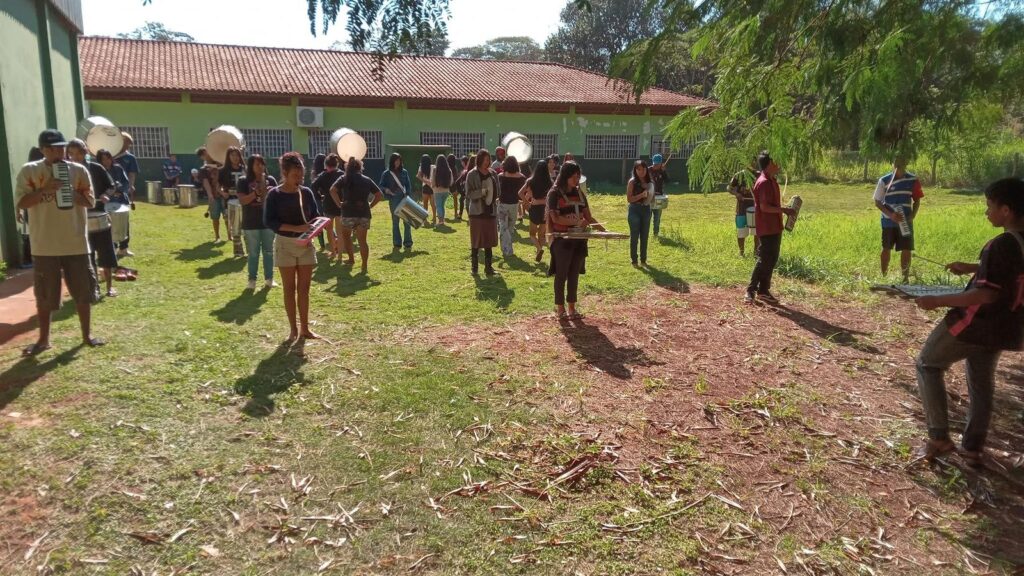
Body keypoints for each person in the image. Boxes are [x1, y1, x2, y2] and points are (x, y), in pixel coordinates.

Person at [913, 177, 1024, 466]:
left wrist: (937, 300)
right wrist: (972, 268)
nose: (986, 212)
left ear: (1007, 210)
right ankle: (972, 448)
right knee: (981, 384)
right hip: (1006, 325)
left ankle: (938, 437)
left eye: (990, 206)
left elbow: (986, 295)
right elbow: (1009, 274)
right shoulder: (1017, 243)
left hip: (975, 323)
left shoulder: (999, 245)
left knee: (927, 363)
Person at [16, 129, 103, 355]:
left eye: (61, 147)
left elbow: (90, 201)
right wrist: (45, 190)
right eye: (53, 148)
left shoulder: (78, 170)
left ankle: (87, 336)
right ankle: (43, 340)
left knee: (83, 292)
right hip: (44, 245)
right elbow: (23, 202)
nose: (58, 152)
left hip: (75, 242)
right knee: (45, 296)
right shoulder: (30, 171)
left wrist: (73, 194)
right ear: (43, 150)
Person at [264, 152, 322, 341]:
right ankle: (293, 329)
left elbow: (314, 215)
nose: (299, 179)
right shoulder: (275, 194)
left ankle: (305, 328)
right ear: (285, 173)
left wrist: (317, 227)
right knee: (289, 289)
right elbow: (270, 221)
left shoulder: (306, 192)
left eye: (301, 175)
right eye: (295, 175)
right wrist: (296, 228)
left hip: (305, 244)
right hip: (285, 244)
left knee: (304, 289)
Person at [547, 161, 605, 320]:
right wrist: (574, 222)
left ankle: (572, 307)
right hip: (562, 240)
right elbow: (555, 217)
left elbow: (588, 216)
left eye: (578, 175)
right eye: (573, 176)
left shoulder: (580, 193)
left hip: (579, 240)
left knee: (574, 274)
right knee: (561, 274)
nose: (577, 179)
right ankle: (560, 308)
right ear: (565, 176)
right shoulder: (554, 193)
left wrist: (604, 230)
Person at [68, 141, 119, 298]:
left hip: (99, 216)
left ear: (85, 152)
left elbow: (112, 186)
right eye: (72, 154)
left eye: (79, 153)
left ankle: (109, 287)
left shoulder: (96, 168)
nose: (76, 157)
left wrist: (106, 195)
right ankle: (94, 287)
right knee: (87, 256)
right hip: (80, 218)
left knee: (106, 254)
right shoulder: (66, 171)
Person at [745, 151, 796, 304]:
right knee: (764, 259)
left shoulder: (772, 180)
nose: (778, 165)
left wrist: (783, 210)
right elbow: (764, 207)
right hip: (767, 227)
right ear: (768, 165)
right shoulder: (764, 182)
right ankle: (750, 289)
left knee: (772, 259)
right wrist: (784, 210)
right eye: (775, 162)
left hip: (775, 226)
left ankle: (763, 290)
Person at [874, 157, 924, 282]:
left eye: (901, 163)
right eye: (896, 163)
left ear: (906, 163)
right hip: (888, 222)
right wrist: (890, 215)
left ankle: (905, 278)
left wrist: (912, 216)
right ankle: (884, 276)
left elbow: (917, 199)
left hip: (905, 222)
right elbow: (877, 201)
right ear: (893, 164)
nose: (898, 166)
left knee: (906, 248)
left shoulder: (913, 180)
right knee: (886, 247)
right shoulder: (884, 180)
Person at [330, 157, 383, 272]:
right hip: (363, 213)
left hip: (348, 212)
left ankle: (351, 259)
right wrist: (370, 205)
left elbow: (332, 190)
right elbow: (379, 194)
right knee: (362, 241)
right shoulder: (366, 179)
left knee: (347, 238)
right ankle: (364, 265)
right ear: (360, 167)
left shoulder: (344, 178)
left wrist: (339, 204)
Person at [236, 154, 278, 290]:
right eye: (257, 164)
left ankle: (269, 279)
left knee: (269, 251)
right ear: (250, 167)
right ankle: (252, 280)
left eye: (262, 164)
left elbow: (278, 199)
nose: (260, 167)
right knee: (253, 253)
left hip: (268, 222)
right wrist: (255, 193)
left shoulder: (270, 180)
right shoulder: (243, 181)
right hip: (251, 223)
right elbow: (242, 201)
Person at [465, 149, 498, 276]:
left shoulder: (493, 173)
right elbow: (468, 193)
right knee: (476, 241)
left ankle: (488, 267)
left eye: (488, 159)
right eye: (485, 160)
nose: (487, 162)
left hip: (490, 212)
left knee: (489, 241)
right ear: (479, 160)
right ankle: (474, 267)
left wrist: (492, 194)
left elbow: (497, 191)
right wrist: (481, 192)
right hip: (477, 213)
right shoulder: (471, 174)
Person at [310, 153, 344, 259]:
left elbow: (313, 186)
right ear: (337, 164)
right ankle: (340, 255)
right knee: (339, 231)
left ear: (326, 164)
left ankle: (333, 252)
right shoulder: (342, 174)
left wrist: (319, 197)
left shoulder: (323, 175)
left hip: (328, 205)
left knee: (329, 230)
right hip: (340, 204)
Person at [520, 158, 552, 262]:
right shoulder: (550, 182)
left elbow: (520, 193)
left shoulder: (530, 181)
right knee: (541, 234)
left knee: (532, 234)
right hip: (545, 210)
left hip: (534, 209)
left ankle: (538, 249)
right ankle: (540, 249)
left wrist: (526, 202)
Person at [380, 153, 414, 249]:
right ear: (392, 161)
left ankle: (408, 242)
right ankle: (397, 242)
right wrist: (386, 190)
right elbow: (381, 185)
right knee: (395, 222)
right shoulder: (386, 173)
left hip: (404, 198)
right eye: (396, 160)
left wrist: (407, 195)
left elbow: (408, 185)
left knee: (407, 222)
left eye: (399, 160)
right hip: (393, 199)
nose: (398, 162)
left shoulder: (404, 172)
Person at [220, 146, 247, 257]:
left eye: (237, 155)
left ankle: (250, 250)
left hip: (244, 201)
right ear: (228, 157)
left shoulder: (244, 169)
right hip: (231, 201)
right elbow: (217, 185)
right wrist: (222, 193)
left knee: (246, 227)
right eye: (232, 155)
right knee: (235, 227)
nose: (235, 158)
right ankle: (238, 251)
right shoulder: (224, 170)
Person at [728, 163, 760, 257]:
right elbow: (729, 188)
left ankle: (756, 252)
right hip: (741, 208)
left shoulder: (758, 175)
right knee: (741, 231)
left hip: (755, 207)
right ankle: (741, 253)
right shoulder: (738, 175)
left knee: (756, 232)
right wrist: (736, 194)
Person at [496, 155, 526, 257]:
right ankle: (508, 249)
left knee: (503, 227)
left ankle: (506, 249)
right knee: (510, 228)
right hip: (514, 205)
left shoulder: (500, 176)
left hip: (503, 204)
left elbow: (498, 191)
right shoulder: (521, 177)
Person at [626, 160, 654, 267]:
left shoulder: (650, 183)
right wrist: (641, 196)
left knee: (644, 236)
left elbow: (651, 198)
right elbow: (629, 199)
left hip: (646, 210)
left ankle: (643, 260)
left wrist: (651, 195)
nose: (641, 172)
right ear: (635, 170)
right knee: (634, 236)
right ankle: (634, 260)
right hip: (634, 210)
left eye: (643, 169)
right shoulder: (632, 182)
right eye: (638, 169)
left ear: (646, 169)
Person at [196, 146, 224, 242]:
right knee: (215, 216)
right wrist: (210, 195)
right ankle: (217, 236)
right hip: (214, 195)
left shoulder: (221, 163)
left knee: (227, 215)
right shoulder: (203, 169)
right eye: (205, 153)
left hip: (225, 194)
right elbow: (205, 182)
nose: (208, 154)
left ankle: (230, 235)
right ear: (202, 157)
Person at [649, 153, 670, 237]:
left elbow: (668, 181)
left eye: (657, 164)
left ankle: (656, 234)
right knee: (647, 217)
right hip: (649, 197)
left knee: (657, 218)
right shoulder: (648, 170)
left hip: (659, 197)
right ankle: (644, 233)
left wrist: (664, 171)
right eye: (654, 164)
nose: (656, 166)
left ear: (661, 163)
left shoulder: (662, 171)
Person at [432, 154, 452, 225]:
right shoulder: (449, 170)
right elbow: (451, 181)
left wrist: (433, 186)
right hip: (446, 190)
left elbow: (433, 181)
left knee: (438, 206)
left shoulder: (435, 169)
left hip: (437, 191)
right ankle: (442, 220)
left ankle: (440, 220)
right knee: (442, 205)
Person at [417, 154, 436, 225]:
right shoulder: (433, 166)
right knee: (433, 204)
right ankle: (434, 218)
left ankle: (425, 220)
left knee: (425, 204)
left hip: (425, 186)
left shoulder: (421, 167)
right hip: (432, 186)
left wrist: (425, 181)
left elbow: (418, 176)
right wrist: (430, 182)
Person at [453, 155, 472, 221]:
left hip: (465, 190)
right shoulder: (468, 170)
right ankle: (461, 214)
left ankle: (461, 215)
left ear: (464, 162)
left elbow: (457, 181)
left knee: (464, 202)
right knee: (463, 201)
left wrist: (460, 191)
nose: (461, 163)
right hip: (465, 190)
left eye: (462, 162)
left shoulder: (465, 171)